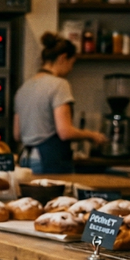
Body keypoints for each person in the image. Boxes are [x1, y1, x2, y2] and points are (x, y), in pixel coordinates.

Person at [14, 33, 107, 174]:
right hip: (49, 161)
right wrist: (92, 135)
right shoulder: (59, 85)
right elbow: (65, 131)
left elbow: (17, 134)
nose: (71, 69)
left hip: (26, 160)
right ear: (63, 58)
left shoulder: (24, 88)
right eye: (72, 63)